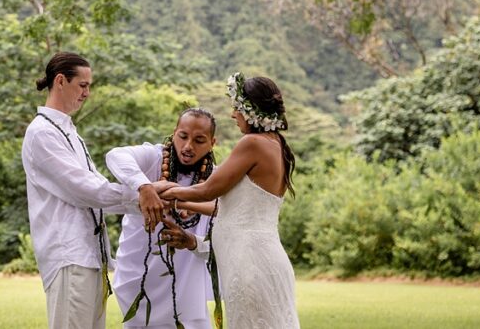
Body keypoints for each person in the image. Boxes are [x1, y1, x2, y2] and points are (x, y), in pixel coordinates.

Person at [155, 73, 300, 329]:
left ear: (249, 109)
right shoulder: (275, 144)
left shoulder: (252, 143)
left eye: (236, 107)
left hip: (250, 263)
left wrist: (160, 188)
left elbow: (207, 190)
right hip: (259, 258)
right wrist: (179, 203)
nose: (233, 114)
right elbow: (227, 208)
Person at [21, 52, 143, 329]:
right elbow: (86, 190)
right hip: (70, 255)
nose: (87, 93)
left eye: (90, 86)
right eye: (83, 85)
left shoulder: (68, 131)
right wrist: (144, 194)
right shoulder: (42, 133)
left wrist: (146, 196)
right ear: (61, 81)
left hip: (90, 256)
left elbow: (97, 192)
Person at [106, 108, 219, 329]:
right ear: (174, 133)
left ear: (212, 143)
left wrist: (180, 206)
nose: (188, 147)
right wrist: (144, 187)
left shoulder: (215, 178)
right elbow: (115, 155)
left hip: (187, 281)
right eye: (183, 136)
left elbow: (224, 214)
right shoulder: (154, 158)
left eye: (199, 140)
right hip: (140, 274)